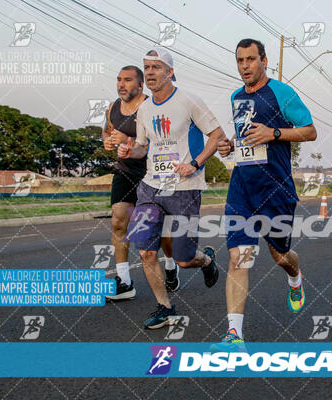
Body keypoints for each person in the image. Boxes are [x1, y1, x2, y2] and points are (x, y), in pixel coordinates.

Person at [213, 38, 317, 351]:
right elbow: (246, 134)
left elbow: (309, 130)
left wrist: (273, 133)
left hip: (276, 189)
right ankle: (235, 336)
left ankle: (295, 277)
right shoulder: (236, 97)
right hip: (242, 187)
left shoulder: (281, 92)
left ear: (264, 61)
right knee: (237, 258)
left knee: (280, 256)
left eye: (250, 59)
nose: (245, 66)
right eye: (240, 60)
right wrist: (231, 145)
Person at [118, 48, 225, 329]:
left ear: (170, 72)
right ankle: (165, 308)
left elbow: (216, 135)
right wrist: (131, 151)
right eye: (147, 68)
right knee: (145, 251)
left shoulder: (189, 100)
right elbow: (143, 147)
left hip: (185, 188)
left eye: (156, 67)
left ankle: (206, 260)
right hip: (150, 188)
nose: (150, 73)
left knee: (183, 257)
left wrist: (196, 163)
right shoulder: (144, 109)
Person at [102, 66, 179, 300]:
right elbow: (106, 131)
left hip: (153, 172)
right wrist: (107, 141)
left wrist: (129, 140)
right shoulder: (113, 108)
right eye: (118, 80)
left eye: (127, 80)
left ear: (140, 85)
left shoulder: (152, 107)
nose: (121, 85)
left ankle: (170, 264)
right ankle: (125, 282)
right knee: (118, 221)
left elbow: (163, 142)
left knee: (161, 231)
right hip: (125, 171)